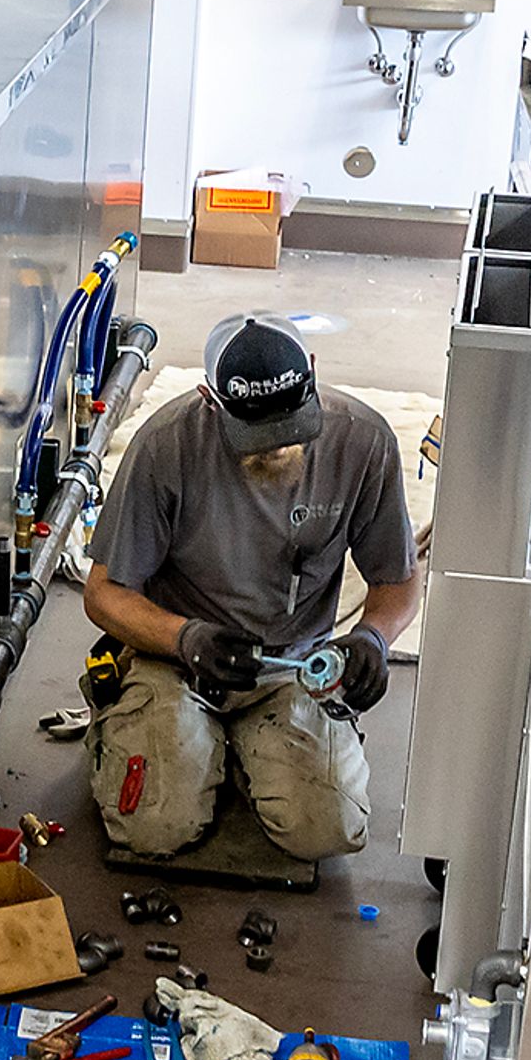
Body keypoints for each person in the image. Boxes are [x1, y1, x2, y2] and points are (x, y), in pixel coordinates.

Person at [80, 316, 419, 865]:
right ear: (208, 399)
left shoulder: (364, 441)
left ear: (312, 372)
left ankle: (237, 751)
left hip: (293, 667)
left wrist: (374, 639)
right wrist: (185, 638)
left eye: (291, 424)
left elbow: (396, 577)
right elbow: (103, 593)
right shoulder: (165, 446)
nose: (278, 445)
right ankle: (159, 731)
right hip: (178, 659)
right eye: (256, 435)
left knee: (328, 831)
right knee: (155, 828)